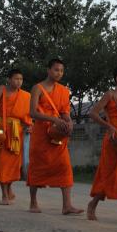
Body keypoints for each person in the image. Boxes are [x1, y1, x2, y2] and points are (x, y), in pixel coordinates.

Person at [27, 58, 83, 215]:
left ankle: (67, 206)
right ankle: (33, 202)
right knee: (37, 167)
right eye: (56, 70)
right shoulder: (37, 88)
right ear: (48, 70)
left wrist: (69, 122)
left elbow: (65, 112)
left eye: (61, 71)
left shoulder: (64, 91)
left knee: (64, 166)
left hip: (58, 133)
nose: (59, 73)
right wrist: (53, 119)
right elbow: (32, 113)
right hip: (41, 134)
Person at [87, 65, 117, 222]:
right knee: (108, 175)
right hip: (113, 139)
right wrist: (109, 125)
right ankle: (93, 204)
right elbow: (92, 113)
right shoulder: (110, 95)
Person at [0, 69, 32, 205]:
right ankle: (4, 195)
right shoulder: (2, 90)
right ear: (9, 79)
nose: (19, 81)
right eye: (16, 78)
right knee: (3, 162)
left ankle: (9, 188)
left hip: (18, 132)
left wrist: (30, 125)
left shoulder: (26, 96)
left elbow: (29, 115)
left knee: (15, 165)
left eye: (21, 79)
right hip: (2, 131)